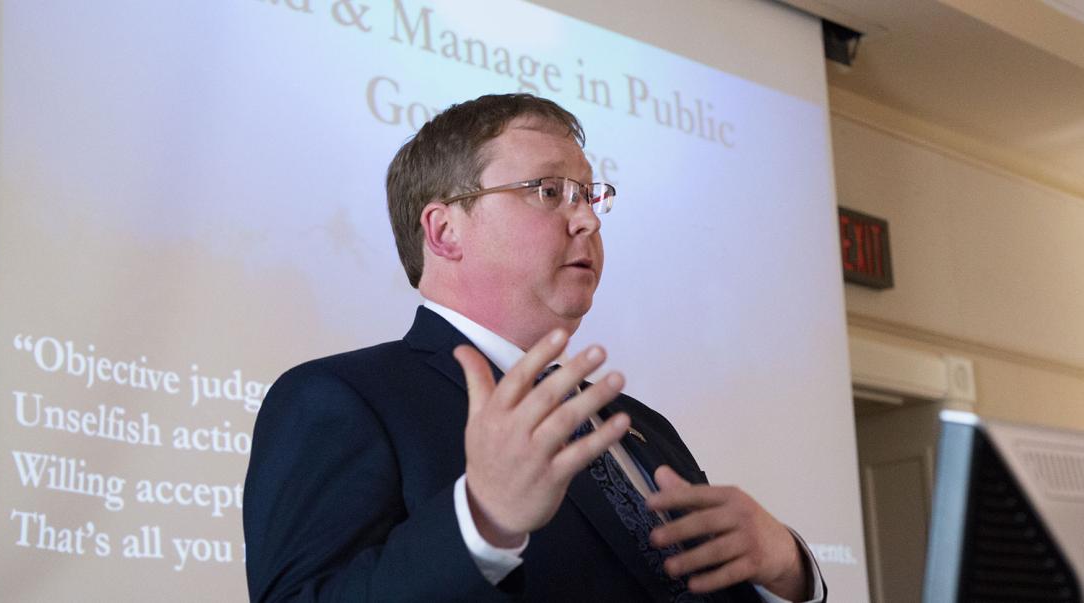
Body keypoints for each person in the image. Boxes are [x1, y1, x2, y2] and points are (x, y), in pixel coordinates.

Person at [243, 94, 826, 602]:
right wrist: (482, 523)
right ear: (444, 231)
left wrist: (790, 570)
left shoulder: (638, 424)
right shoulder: (341, 399)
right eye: (550, 192)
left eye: (590, 195)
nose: (588, 222)